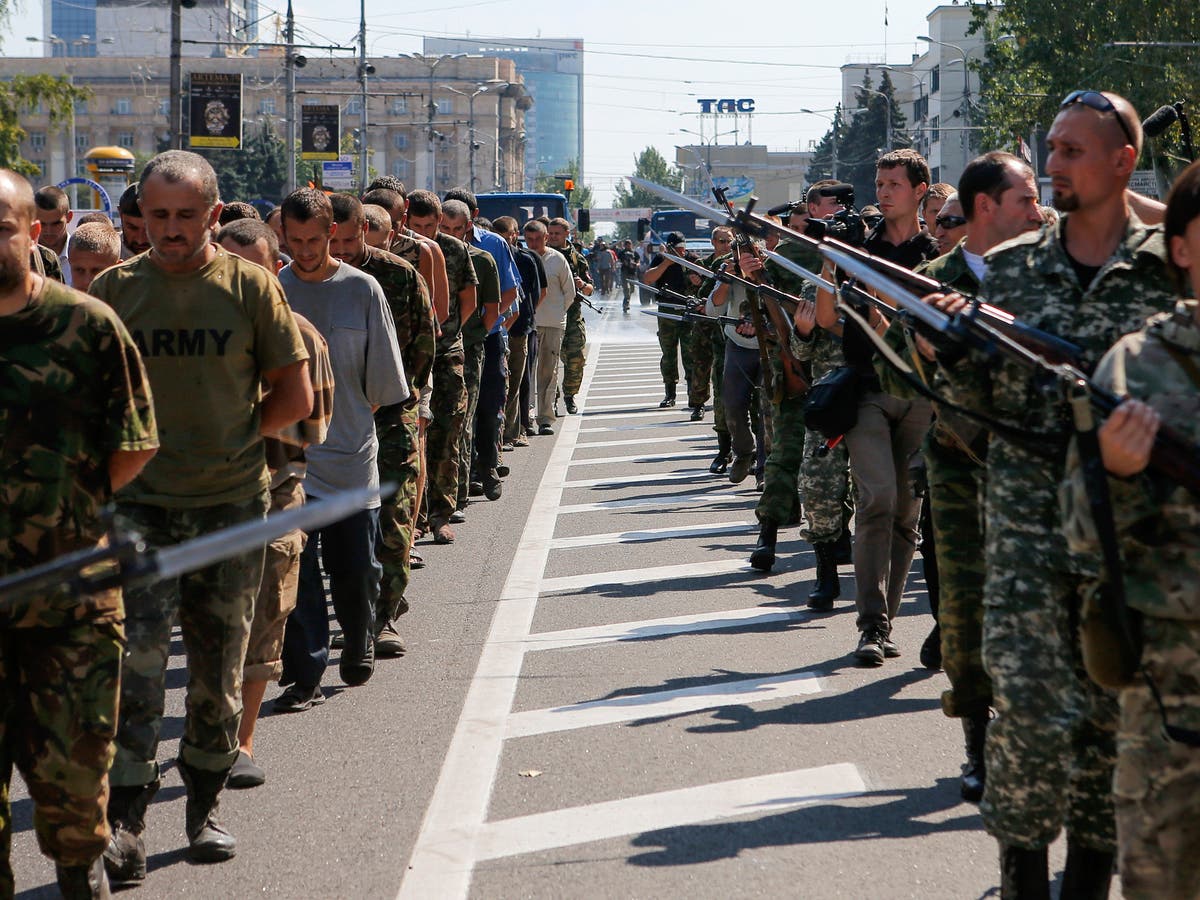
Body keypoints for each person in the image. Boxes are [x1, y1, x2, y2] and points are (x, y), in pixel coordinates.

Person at [937, 91, 1176, 895]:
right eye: (1052, 150)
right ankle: (1022, 877)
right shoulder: (1006, 272)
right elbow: (966, 416)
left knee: (1109, 730)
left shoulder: (1164, 276)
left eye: (1074, 151)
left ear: (1122, 162)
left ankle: (1088, 882)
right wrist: (946, 347)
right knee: (1031, 725)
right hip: (1026, 540)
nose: (1054, 165)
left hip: (1129, 540)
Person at [90, 150, 312, 877]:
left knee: (217, 670)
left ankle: (203, 809)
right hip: (140, 513)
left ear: (214, 216)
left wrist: (235, 442)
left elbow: (294, 395)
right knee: (136, 670)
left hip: (229, 508)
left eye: (187, 216)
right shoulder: (118, 290)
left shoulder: (251, 288)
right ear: (141, 217)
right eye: (158, 216)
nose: (172, 230)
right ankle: (124, 825)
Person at [0, 168, 157, 899]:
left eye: (1, 227)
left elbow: (135, 442)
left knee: (74, 805)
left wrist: (64, 514)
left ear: (34, 234)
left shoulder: (85, 326)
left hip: (71, 607)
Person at [1062, 158, 1200, 900]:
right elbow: (1082, 537)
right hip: (1171, 692)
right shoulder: (1136, 369)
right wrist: (1114, 475)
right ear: (1180, 249)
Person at [894, 152, 1044, 803]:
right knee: (963, 608)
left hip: (1034, 467)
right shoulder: (932, 280)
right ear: (989, 207)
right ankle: (978, 746)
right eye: (1025, 200)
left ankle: (1036, 734)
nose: (1038, 213)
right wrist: (925, 345)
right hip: (958, 465)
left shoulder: (1045, 276)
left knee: (1039, 609)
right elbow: (899, 368)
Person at [276, 188, 407, 706]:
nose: (305, 250)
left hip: (351, 454)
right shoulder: (272, 290)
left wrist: (350, 421)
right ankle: (305, 674)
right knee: (300, 574)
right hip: (291, 463)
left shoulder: (363, 290)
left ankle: (359, 640)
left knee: (355, 569)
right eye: (295, 240)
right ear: (283, 235)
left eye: (314, 240)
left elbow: (384, 382)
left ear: (333, 234)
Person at [214, 218, 334, 788]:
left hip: (274, 490)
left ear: (273, 269)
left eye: (253, 268)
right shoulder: (193, 334)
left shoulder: (303, 337)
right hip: (197, 495)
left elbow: (315, 426)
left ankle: (241, 741)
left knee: (266, 615)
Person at [815, 150, 939, 665]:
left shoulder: (934, 254)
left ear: (918, 191)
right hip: (865, 391)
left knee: (906, 514)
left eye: (894, 184)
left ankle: (884, 624)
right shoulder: (859, 249)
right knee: (877, 500)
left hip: (917, 394)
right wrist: (830, 259)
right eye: (879, 182)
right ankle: (869, 625)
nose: (884, 192)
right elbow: (826, 319)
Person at [329, 192, 435, 657]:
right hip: (329, 422)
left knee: (393, 518)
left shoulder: (397, 275)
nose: (344, 250)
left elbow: (424, 342)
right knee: (343, 528)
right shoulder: (303, 279)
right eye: (339, 242)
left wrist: (396, 396)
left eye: (352, 240)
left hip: (392, 414)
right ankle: (353, 611)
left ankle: (383, 618)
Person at [406, 190, 477, 543]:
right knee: (414, 439)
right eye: (417, 225)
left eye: (430, 226)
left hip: (446, 350)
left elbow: (468, 299)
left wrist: (447, 335)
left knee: (446, 434)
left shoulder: (453, 249)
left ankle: (440, 515)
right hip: (409, 357)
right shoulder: (401, 249)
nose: (424, 232)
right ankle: (414, 517)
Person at [495, 215, 547, 448]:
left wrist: (523, 316)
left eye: (509, 235)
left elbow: (537, 294)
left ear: (516, 235)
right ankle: (504, 432)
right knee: (499, 382)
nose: (507, 240)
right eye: (501, 236)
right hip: (495, 327)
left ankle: (514, 431)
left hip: (519, 327)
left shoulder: (527, 259)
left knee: (517, 381)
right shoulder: (491, 256)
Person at [644, 231, 702, 408]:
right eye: (677, 249)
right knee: (668, 354)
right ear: (669, 248)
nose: (681, 252)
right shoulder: (662, 259)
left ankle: (694, 394)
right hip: (667, 312)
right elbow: (647, 279)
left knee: (691, 354)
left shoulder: (692, 259)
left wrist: (697, 280)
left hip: (689, 311)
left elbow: (705, 282)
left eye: (683, 248)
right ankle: (670, 394)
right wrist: (666, 263)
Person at [528, 219, 574, 435]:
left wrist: (557, 314)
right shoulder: (523, 258)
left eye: (538, 239)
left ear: (546, 238)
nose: (534, 243)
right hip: (527, 325)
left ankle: (545, 418)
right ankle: (525, 417)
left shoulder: (558, 260)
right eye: (529, 239)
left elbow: (570, 293)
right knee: (525, 373)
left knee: (548, 372)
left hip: (553, 324)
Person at [546, 218, 593, 415]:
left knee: (576, 360)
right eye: (551, 233)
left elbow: (590, 290)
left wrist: (581, 284)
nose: (553, 237)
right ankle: (552, 399)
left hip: (572, 316)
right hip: (548, 316)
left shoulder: (577, 259)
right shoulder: (542, 255)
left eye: (557, 233)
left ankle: (569, 395)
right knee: (548, 363)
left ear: (567, 234)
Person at [67, 222, 122, 295]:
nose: (87, 281)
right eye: (79, 270)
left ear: (118, 269)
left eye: (96, 271)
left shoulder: (134, 304)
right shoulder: (55, 305)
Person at [34, 185, 73, 284]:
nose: (49, 230)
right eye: (42, 224)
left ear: (69, 217)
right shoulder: (22, 258)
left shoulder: (83, 255)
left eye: (56, 223)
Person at [117, 184, 150, 259]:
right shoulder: (104, 253)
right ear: (120, 214)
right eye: (132, 228)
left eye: (148, 229)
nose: (140, 240)